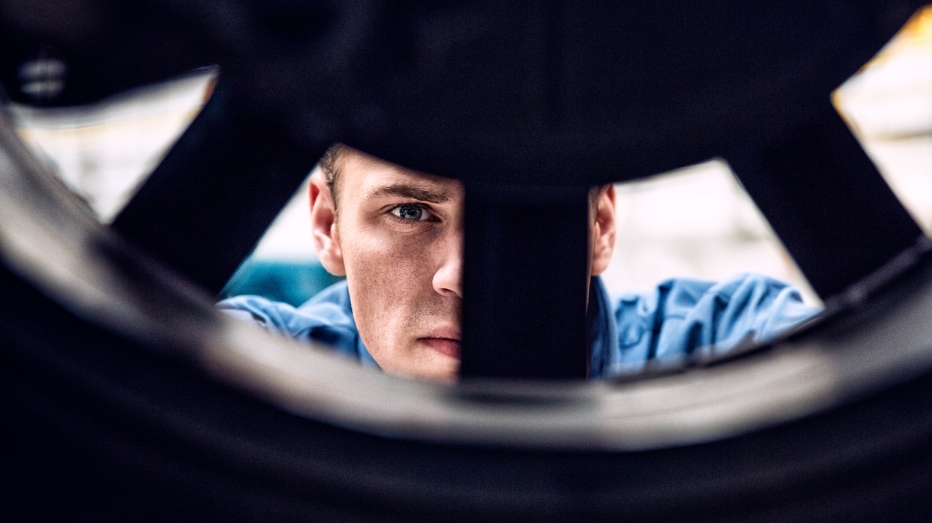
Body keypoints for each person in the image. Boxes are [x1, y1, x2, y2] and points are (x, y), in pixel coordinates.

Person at [219, 146, 821, 382]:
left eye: (528, 213)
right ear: (328, 227)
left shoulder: (731, 341)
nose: (462, 276)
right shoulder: (253, 364)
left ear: (601, 227)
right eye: (409, 212)